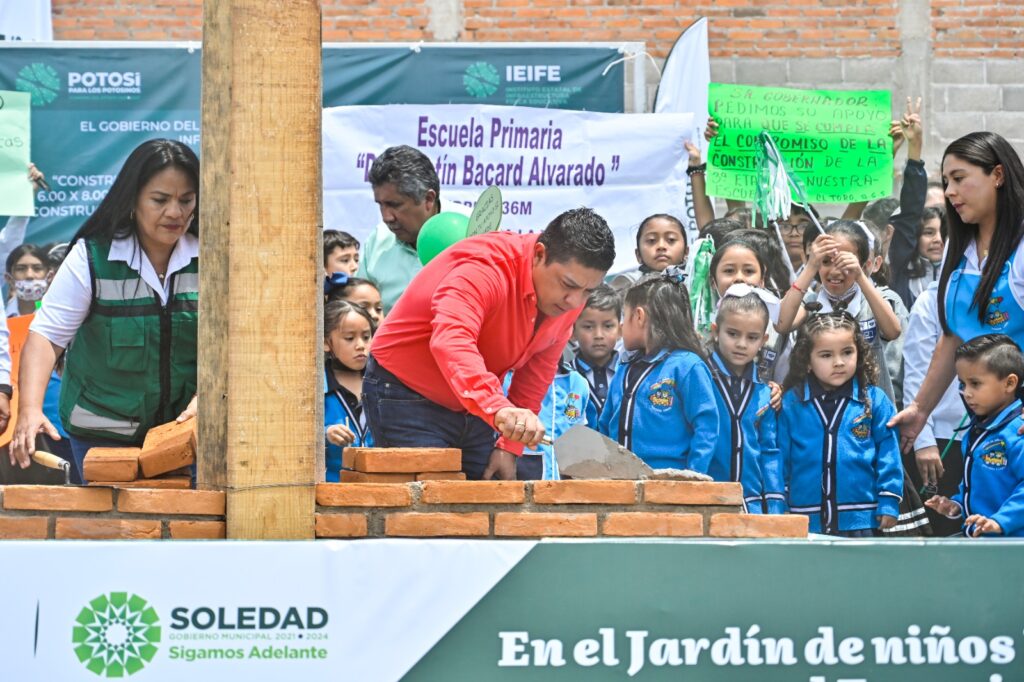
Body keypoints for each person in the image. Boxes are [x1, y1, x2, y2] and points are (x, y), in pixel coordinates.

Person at [364, 208, 615, 480]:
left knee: (481, 512)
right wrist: (499, 409)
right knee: (429, 515)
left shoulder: (569, 297)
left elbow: (538, 369)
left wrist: (509, 445)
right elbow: (452, 339)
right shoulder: (486, 266)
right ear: (540, 254)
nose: (575, 302)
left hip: (477, 403)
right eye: (568, 285)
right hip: (406, 393)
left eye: (588, 291)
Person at [8, 139, 200, 480]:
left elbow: (236, 345)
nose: (175, 212)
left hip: (184, 433)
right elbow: (47, 336)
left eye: (186, 200)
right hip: (102, 435)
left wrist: (207, 399)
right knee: (113, 528)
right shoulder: (91, 257)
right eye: (160, 200)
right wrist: (29, 409)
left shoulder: (213, 256)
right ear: (133, 200)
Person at [889, 131, 1024, 451]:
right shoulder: (959, 246)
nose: (949, 191)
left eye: (960, 179)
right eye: (946, 181)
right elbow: (953, 338)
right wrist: (920, 409)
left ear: (998, 175)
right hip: (985, 432)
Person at [778, 310, 903, 536]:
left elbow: (889, 453)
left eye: (847, 352)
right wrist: (781, 505)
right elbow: (780, 460)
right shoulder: (792, 403)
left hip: (862, 520)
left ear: (859, 353)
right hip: (804, 519)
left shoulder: (873, 400)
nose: (838, 362)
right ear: (807, 361)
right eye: (826, 355)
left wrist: (889, 500)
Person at [598, 268, 719, 472]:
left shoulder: (687, 366)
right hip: (620, 486)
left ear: (639, 317)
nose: (620, 325)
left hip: (670, 487)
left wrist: (693, 478)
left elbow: (707, 428)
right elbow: (604, 428)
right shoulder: (624, 369)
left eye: (623, 315)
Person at [778, 220, 903, 403]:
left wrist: (860, 276)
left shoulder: (874, 301)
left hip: (869, 410)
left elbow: (892, 331)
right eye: (826, 261)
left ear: (863, 264)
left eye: (844, 262)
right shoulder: (811, 303)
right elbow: (782, 324)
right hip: (818, 410)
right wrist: (811, 266)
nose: (835, 271)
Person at [926, 334, 1024, 537]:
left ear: (1009, 383)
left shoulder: (1018, 431)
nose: (966, 393)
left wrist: (1000, 521)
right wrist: (956, 505)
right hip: (981, 542)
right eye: (962, 384)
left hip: (1013, 547)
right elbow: (974, 483)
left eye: (975, 384)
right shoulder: (978, 428)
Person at [358, 145, 471, 315]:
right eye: (380, 205)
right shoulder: (377, 241)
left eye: (395, 205)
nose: (386, 217)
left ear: (428, 199)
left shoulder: (475, 231)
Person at [706, 285, 784, 513]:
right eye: (732, 334)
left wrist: (776, 505)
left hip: (751, 505)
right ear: (715, 330)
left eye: (752, 337)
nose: (741, 344)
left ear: (764, 340)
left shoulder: (765, 393)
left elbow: (770, 452)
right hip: (706, 501)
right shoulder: (700, 380)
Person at [903, 281, 967, 535]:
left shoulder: (1009, 291)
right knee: (941, 527)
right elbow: (916, 372)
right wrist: (923, 440)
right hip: (942, 437)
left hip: (1000, 429)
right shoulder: (932, 300)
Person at [503, 357, 590, 481]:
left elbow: (579, 436)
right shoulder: (508, 377)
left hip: (566, 483)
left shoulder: (577, 381)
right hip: (521, 473)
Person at [323, 300, 375, 482]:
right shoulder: (316, 390)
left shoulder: (381, 385)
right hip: (331, 493)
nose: (361, 345)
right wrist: (325, 434)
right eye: (349, 338)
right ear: (325, 343)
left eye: (367, 337)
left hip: (379, 492)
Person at [570, 284, 622, 428]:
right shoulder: (566, 377)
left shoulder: (630, 373)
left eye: (608, 326)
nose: (598, 335)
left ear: (620, 331)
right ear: (572, 331)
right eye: (588, 327)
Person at [609, 213, 688, 290]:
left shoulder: (696, 283)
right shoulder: (626, 285)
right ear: (638, 255)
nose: (661, 246)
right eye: (651, 240)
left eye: (671, 240)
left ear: (686, 252)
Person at [5, 245, 53, 318]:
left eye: (37, 268)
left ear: (49, 276)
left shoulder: (58, 314)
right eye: (21, 269)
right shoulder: (3, 317)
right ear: (9, 279)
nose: (29, 275)